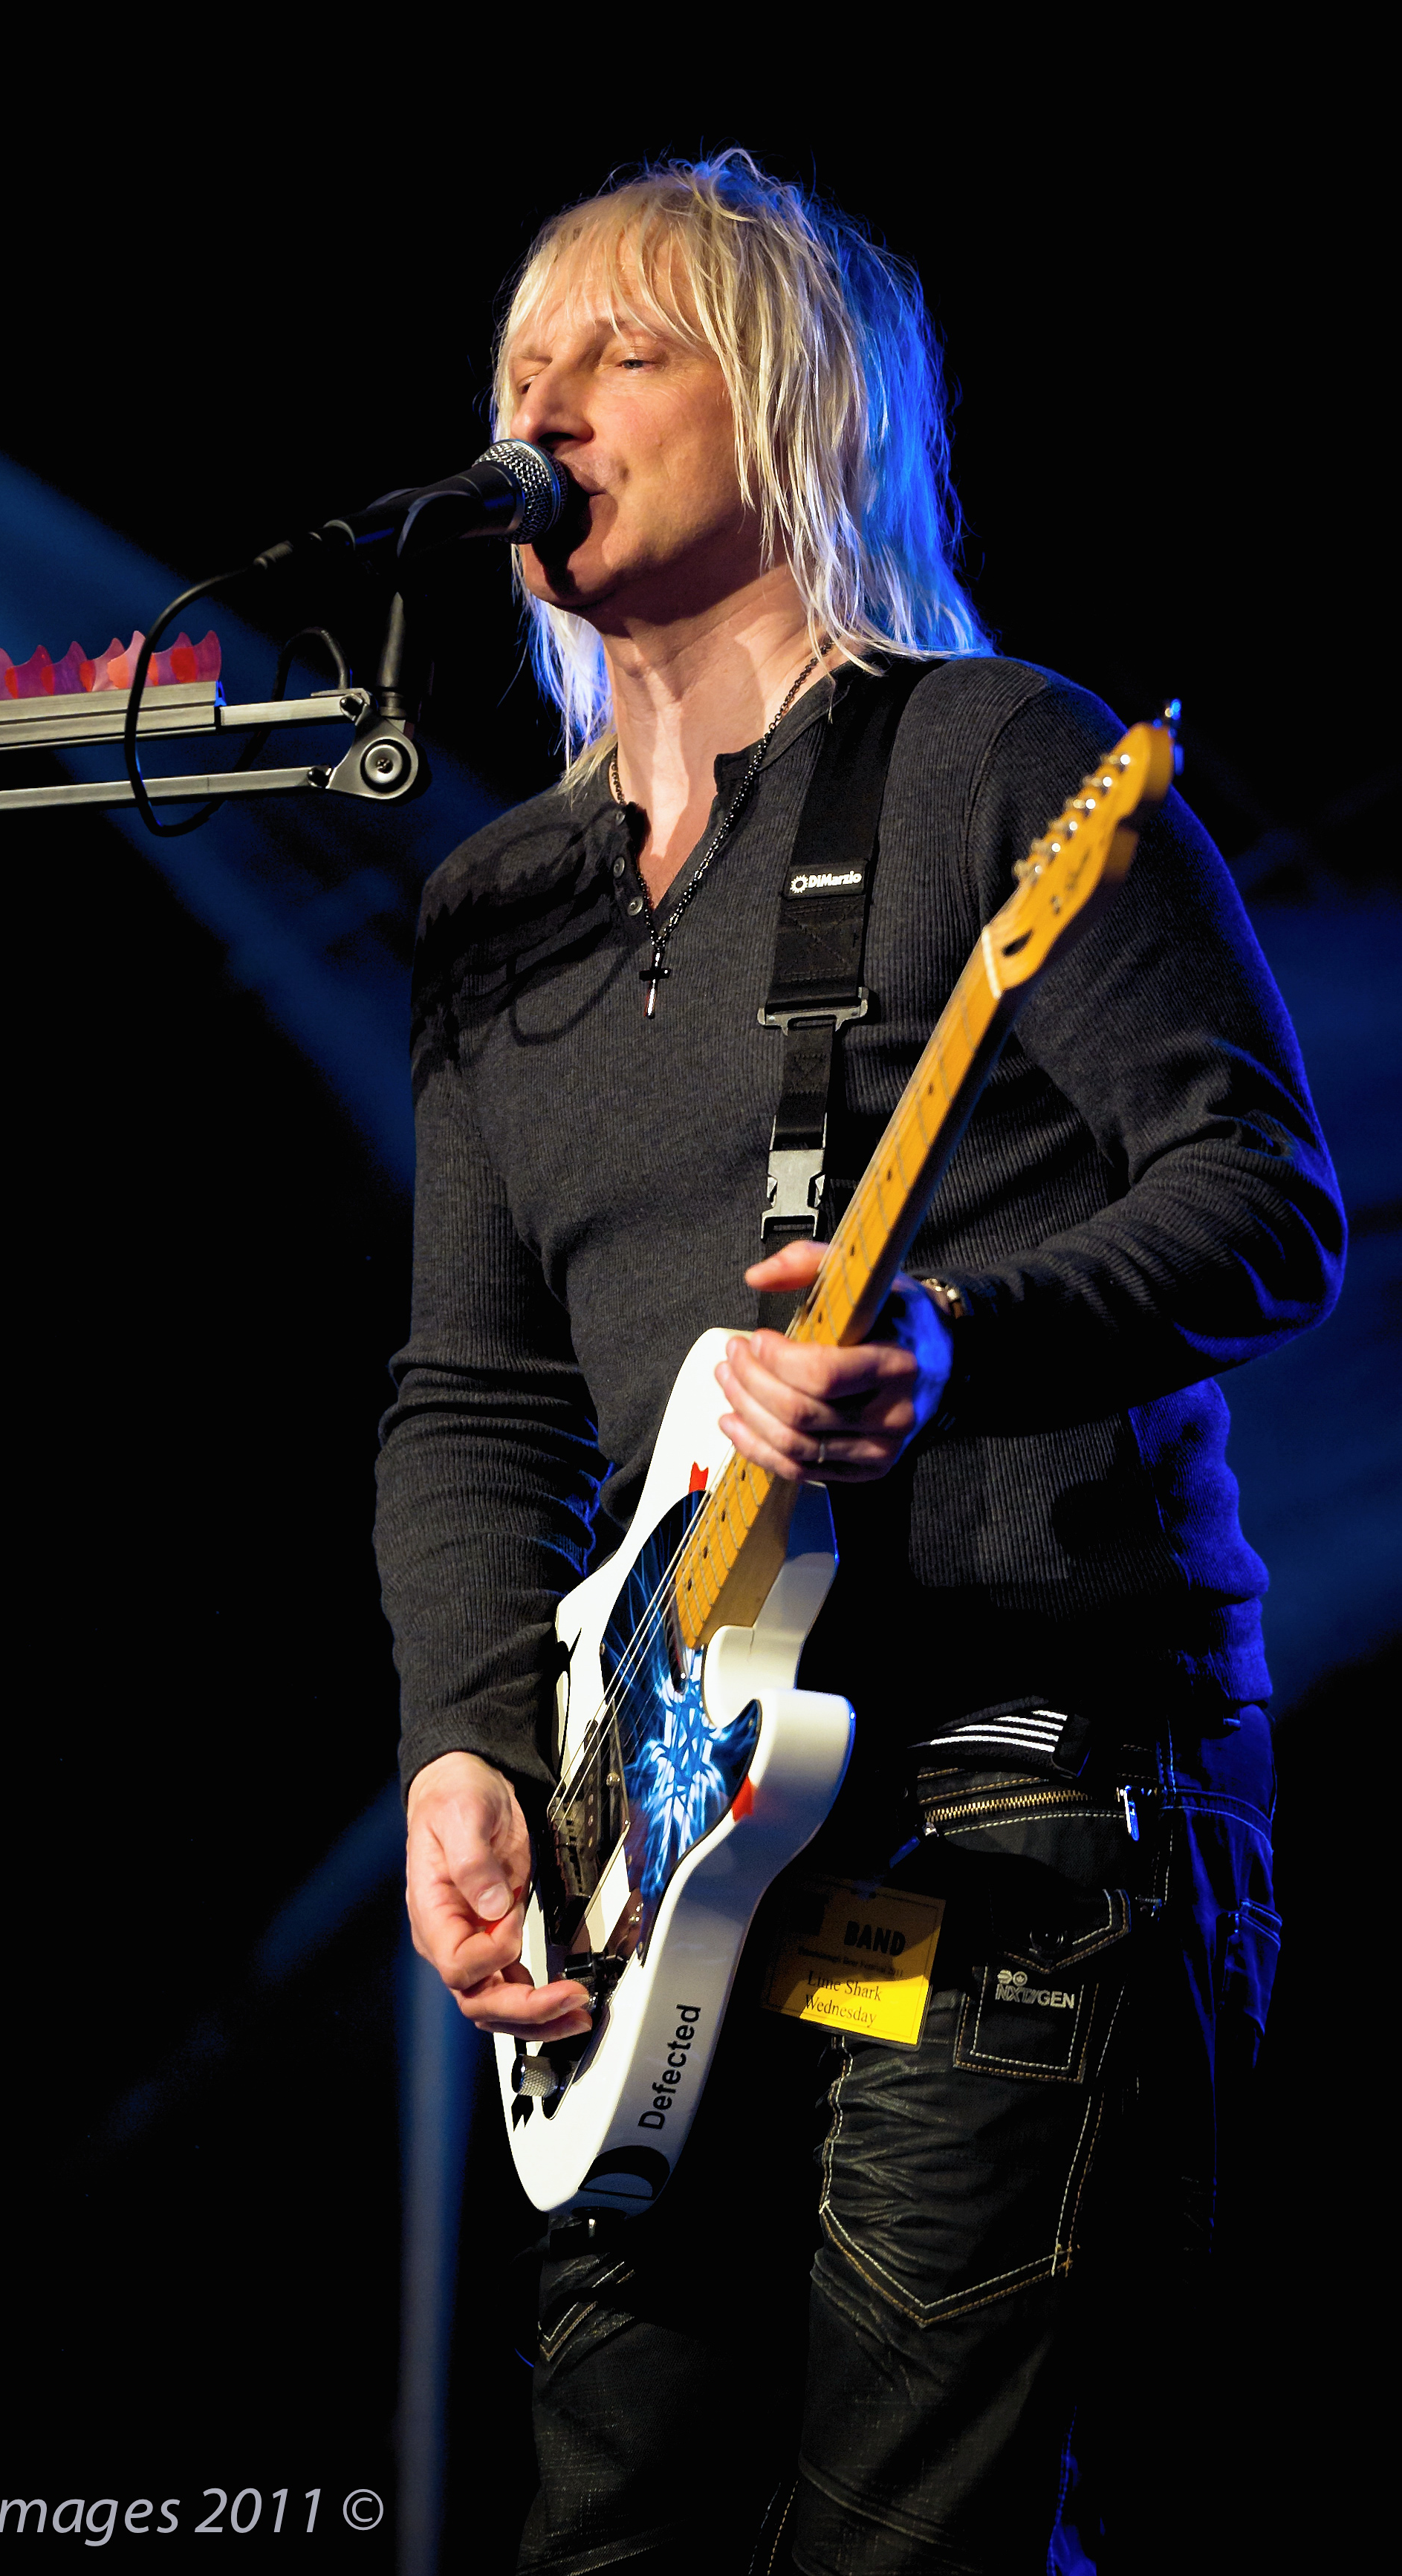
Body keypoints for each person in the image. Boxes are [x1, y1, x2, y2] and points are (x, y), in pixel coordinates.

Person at [374, 151, 1343, 2575]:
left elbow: (1264, 1196)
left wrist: (954, 1340)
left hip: (1019, 1797)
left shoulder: (999, 761)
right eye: (520, 367)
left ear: (795, 411)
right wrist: (467, 1740)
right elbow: (475, 1393)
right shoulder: (498, 907)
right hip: (664, 1841)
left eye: (624, 356)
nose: (545, 409)